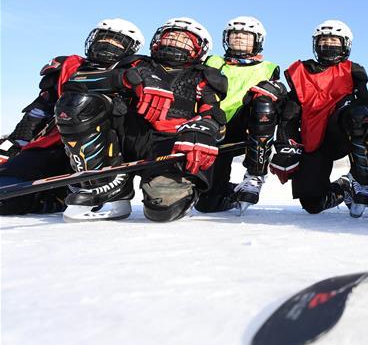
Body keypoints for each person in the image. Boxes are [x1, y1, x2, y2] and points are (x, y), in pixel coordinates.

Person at [55, 17, 228, 222]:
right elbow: (78, 83)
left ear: (199, 49)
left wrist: (204, 128)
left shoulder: (204, 76)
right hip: (127, 137)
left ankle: (177, 189)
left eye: (184, 39)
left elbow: (213, 115)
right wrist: (127, 79)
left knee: (161, 211)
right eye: (169, 36)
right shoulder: (134, 64)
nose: (174, 41)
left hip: (169, 146)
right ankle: (104, 184)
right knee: (79, 102)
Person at [0, 19, 144, 215]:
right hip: (54, 145)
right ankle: (50, 199)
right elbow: (38, 113)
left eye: (117, 41)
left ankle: (96, 188)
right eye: (103, 37)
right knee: (6, 190)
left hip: (105, 150)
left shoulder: (135, 74)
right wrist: (14, 146)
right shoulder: (69, 68)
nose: (108, 43)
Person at [269, 20, 368, 217]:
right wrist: (287, 146)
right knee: (312, 202)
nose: (328, 44)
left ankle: (361, 180)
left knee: (359, 114)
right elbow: (289, 117)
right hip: (313, 139)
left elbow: (366, 107)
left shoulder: (353, 71)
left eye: (334, 40)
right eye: (324, 40)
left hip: (341, 131)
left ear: (345, 44)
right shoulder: (299, 72)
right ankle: (344, 188)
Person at [196, 16, 284, 213]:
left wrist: (278, 89)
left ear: (257, 40)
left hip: (246, 125)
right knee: (207, 203)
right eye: (234, 34)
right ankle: (226, 193)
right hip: (213, 125)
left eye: (246, 36)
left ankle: (255, 174)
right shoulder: (213, 62)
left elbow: (281, 95)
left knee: (265, 105)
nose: (239, 38)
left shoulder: (268, 68)